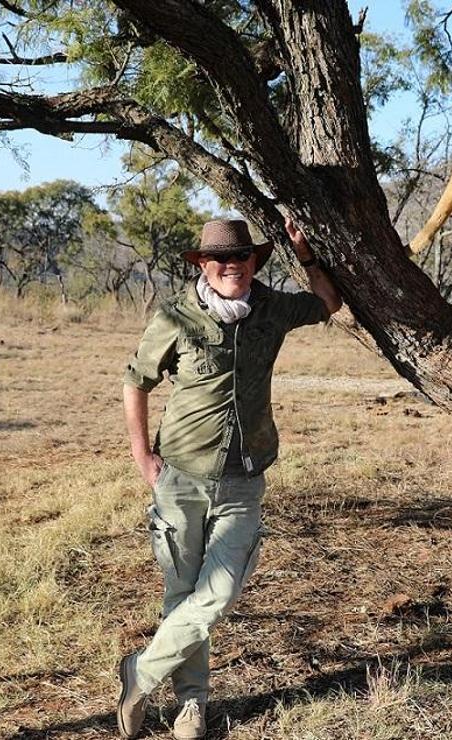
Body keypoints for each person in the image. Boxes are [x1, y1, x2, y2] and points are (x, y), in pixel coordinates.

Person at [117, 217, 342, 739]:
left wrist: (307, 256)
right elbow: (136, 381)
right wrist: (140, 456)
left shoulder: (272, 308)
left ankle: (140, 673)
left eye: (241, 257)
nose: (231, 265)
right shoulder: (175, 314)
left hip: (244, 475)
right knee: (182, 591)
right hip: (180, 473)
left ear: (255, 262)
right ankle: (191, 704)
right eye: (219, 258)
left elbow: (329, 303)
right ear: (202, 264)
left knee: (215, 595)